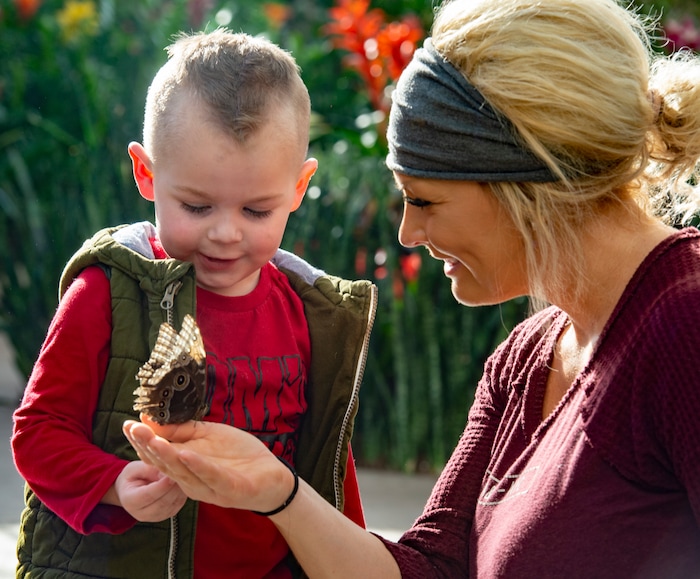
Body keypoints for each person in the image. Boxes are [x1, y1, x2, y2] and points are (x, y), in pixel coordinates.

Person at [123, 0, 700, 577]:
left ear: (526, 184)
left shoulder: (685, 324)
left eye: (424, 200)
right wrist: (277, 492)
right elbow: (431, 569)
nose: (408, 232)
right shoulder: (526, 360)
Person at [12, 29, 377, 578]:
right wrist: (111, 483)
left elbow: (327, 464)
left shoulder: (312, 317)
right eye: (197, 206)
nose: (226, 233)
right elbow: (38, 431)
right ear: (147, 174)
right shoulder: (109, 295)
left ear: (299, 188)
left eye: (257, 211)